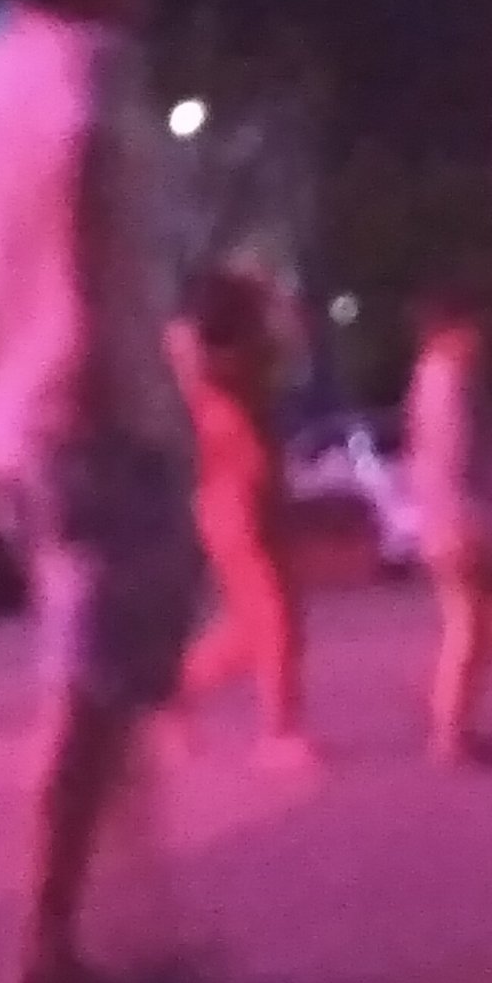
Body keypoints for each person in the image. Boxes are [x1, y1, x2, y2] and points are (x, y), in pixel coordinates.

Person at [0, 0, 209, 983]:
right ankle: (48, 952)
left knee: (109, 678)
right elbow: (81, 188)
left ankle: (125, 926)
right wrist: (93, 363)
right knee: (90, 688)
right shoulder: (93, 66)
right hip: (96, 411)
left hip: (11, 426)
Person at [165, 261, 318, 772]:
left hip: (264, 490)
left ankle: (172, 689)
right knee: (271, 614)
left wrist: (272, 293)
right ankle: (279, 732)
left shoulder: (253, 354)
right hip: (225, 499)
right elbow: (186, 356)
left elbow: (298, 352)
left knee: (262, 626)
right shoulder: (195, 358)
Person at [407, 281, 492, 769]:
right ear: (453, 328)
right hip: (459, 518)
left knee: (491, 620)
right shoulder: (446, 380)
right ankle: (450, 728)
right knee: (474, 623)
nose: (487, 335)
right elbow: (455, 458)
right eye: (478, 325)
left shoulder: (448, 376)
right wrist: (478, 522)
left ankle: (447, 706)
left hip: (455, 516)